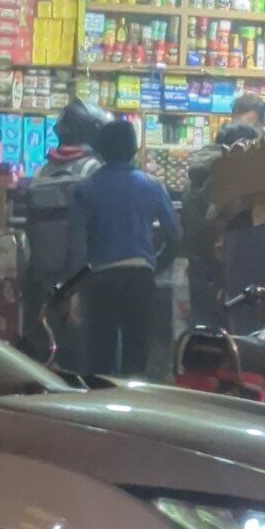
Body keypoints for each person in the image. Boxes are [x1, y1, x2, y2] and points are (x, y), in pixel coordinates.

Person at [77, 120, 181, 376]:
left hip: (100, 278)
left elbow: (76, 243)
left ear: (100, 150)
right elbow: (175, 236)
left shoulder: (86, 188)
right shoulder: (151, 185)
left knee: (100, 358)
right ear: (134, 149)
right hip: (140, 277)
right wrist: (155, 265)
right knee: (137, 356)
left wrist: (74, 287)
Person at [21, 99, 109, 368]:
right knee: (83, 350)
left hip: (44, 275)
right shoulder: (93, 170)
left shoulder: (43, 170)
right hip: (82, 275)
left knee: (48, 346)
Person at [182, 122, 258, 326]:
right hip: (223, 273)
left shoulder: (199, 175)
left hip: (200, 270)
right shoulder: (226, 178)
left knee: (204, 335)